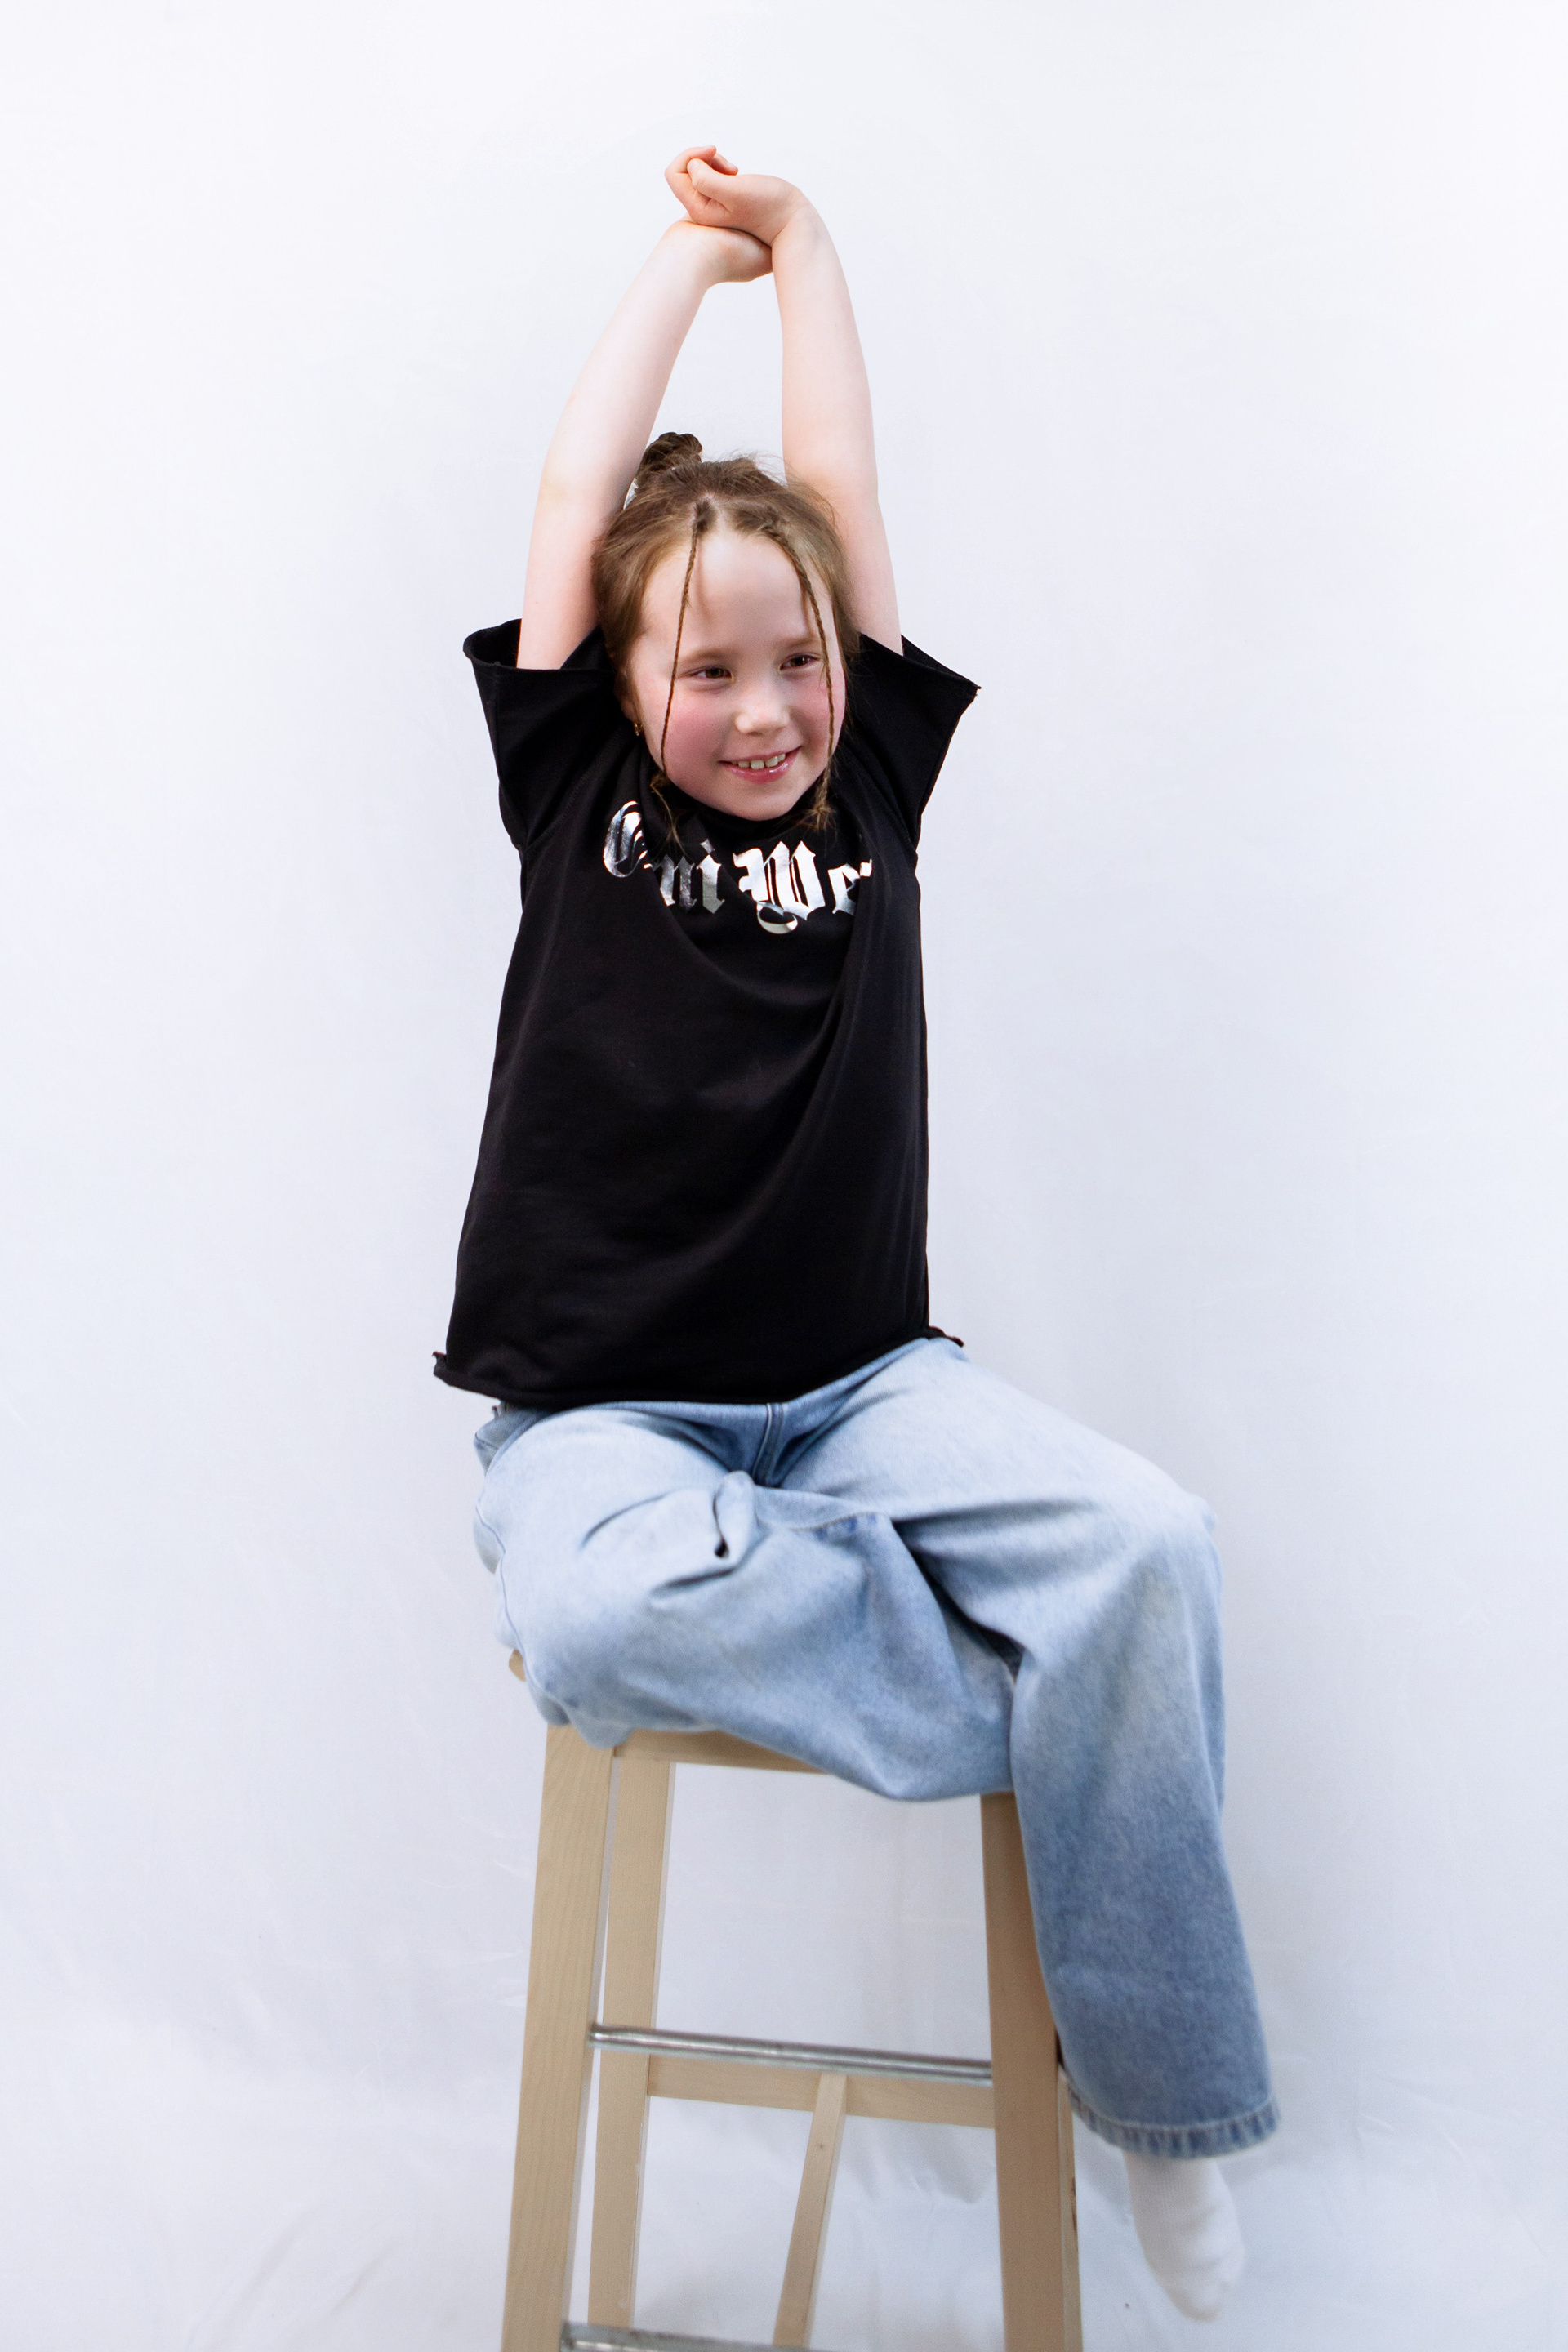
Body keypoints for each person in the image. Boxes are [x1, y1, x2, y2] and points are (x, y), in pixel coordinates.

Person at [439, 145, 1277, 2322]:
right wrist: (680, 261)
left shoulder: (873, 781)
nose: (763, 710)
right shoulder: (577, 790)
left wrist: (807, 249)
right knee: (599, 1615)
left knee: (1150, 1548)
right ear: (620, 682)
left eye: (795, 660)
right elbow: (573, 489)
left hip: (864, 1394)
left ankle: (1169, 2101)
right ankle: (1066, 1727)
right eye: (707, 671)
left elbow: (835, 480)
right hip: (609, 1421)